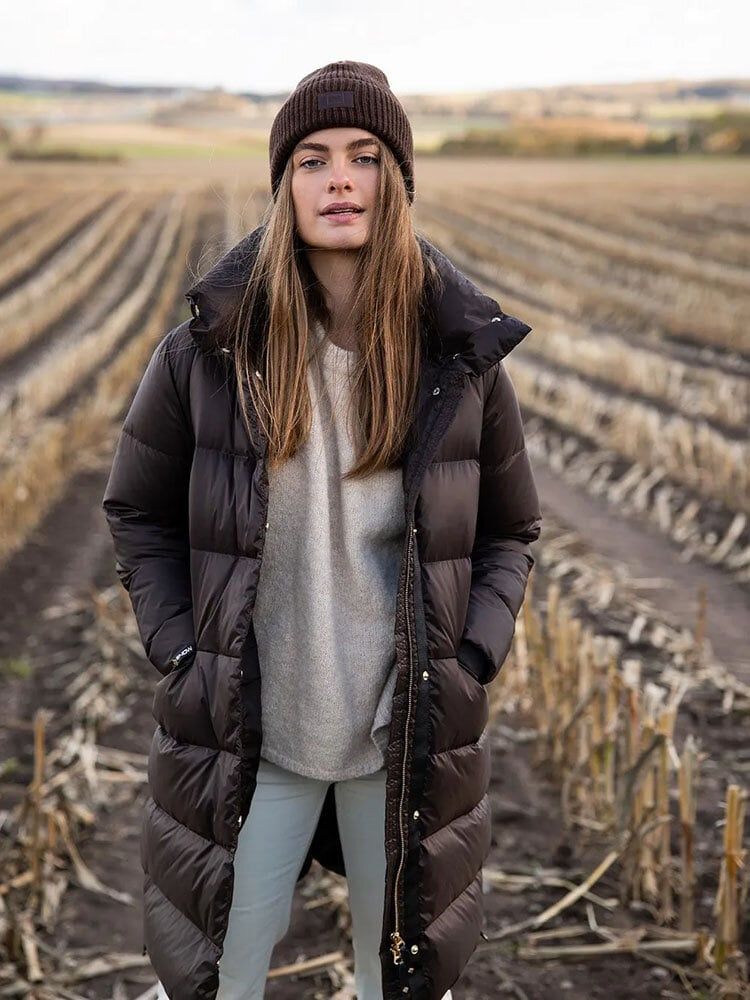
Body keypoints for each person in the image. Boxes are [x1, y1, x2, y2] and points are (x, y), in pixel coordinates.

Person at [102, 60, 542, 1000]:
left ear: (398, 181)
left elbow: (512, 529)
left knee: (401, 982)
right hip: (252, 735)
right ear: (285, 186)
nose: (340, 179)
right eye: (313, 159)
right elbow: (136, 510)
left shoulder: (459, 361)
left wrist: (470, 655)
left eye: (365, 156)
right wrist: (181, 649)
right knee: (220, 978)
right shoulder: (206, 356)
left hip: (404, 742)